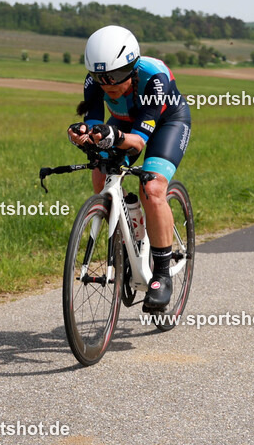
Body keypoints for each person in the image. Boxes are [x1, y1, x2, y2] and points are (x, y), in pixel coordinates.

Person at [67, 25, 191, 309]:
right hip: (123, 124)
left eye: (116, 75)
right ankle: (128, 235)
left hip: (167, 123)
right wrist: (83, 133)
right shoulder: (94, 82)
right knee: (101, 176)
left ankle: (162, 274)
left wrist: (115, 136)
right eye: (100, 78)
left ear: (132, 67)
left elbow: (138, 142)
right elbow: (94, 122)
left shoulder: (154, 78)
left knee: (152, 187)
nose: (108, 84)